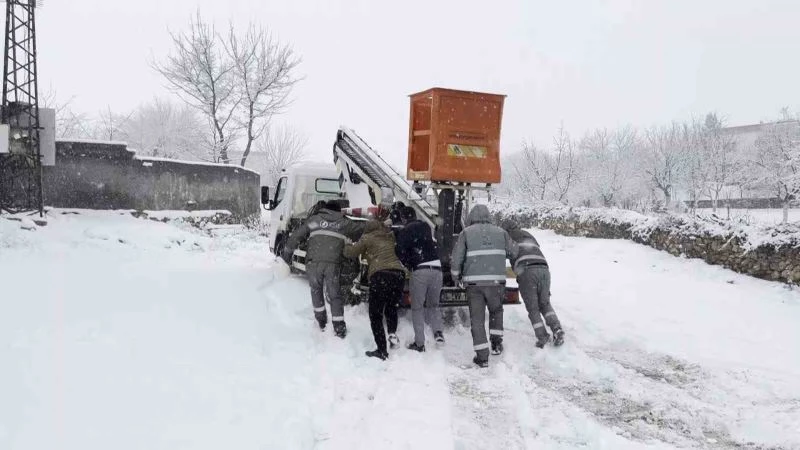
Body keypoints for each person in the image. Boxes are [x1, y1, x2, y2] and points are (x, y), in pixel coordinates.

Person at [282, 200, 363, 338]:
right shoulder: (343, 223)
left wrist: (285, 258)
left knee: (316, 290)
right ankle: (339, 328)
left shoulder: (314, 220)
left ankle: (321, 321)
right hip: (333, 264)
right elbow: (361, 230)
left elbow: (295, 237)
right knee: (335, 295)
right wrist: (380, 225)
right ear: (338, 211)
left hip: (313, 263)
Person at [451, 204, 518, 368]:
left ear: (471, 217)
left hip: (474, 284)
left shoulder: (466, 233)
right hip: (496, 282)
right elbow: (514, 251)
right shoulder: (501, 232)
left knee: (477, 319)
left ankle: (482, 357)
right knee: (496, 311)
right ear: (488, 216)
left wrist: (455, 276)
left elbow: (457, 257)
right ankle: (496, 343)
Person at [343, 219, 406, 360]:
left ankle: (382, 350)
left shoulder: (367, 238)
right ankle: (392, 333)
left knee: (376, 315)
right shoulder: (390, 236)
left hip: (380, 274)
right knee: (391, 307)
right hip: (398, 274)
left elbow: (350, 253)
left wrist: (347, 244)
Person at [501, 220, 564, 348]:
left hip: (527, 271)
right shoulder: (528, 234)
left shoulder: (507, 237)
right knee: (545, 303)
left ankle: (542, 337)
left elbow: (504, 255)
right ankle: (557, 329)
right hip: (544, 269)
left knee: (533, 308)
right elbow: (532, 250)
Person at [395, 206, 444, 352]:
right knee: (433, 305)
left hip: (420, 270)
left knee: (417, 308)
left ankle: (419, 343)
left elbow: (399, 251)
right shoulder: (425, 226)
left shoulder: (404, 231)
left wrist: (408, 263)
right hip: (437, 268)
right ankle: (438, 333)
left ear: (403, 218)